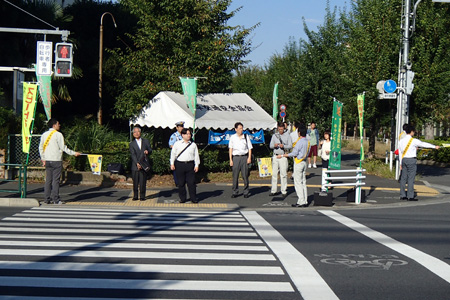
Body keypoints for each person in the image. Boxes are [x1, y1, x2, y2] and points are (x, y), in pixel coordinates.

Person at [39, 118, 81, 204]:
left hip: (47, 160)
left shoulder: (44, 134)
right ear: (54, 125)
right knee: (56, 180)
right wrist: (74, 153)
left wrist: (43, 159)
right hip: (56, 160)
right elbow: (63, 148)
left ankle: (46, 199)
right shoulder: (58, 135)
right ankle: (56, 199)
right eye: (58, 124)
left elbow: (41, 148)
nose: (59, 125)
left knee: (48, 180)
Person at [398, 124, 440, 201]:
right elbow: (424, 144)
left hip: (404, 160)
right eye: (414, 131)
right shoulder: (414, 141)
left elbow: (400, 152)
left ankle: (402, 195)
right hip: (411, 160)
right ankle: (410, 196)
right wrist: (434, 147)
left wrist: (401, 162)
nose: (414, 133)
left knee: (403, 178)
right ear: (411, 132)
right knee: (411, 178)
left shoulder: (401, 141)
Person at [277, 125, 310, 207]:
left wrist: (283, 155)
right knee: (303, 182)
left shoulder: (300, 142)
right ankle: (305, 200)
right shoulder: (307, 142)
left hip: (298, 162)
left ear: (299, 133)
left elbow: (294, 153)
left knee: (298, 182)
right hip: (304, 162)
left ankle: (301, 201)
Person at [170, 128, 200, 203]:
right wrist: (172, 163)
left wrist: (197, 165)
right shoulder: (177, 144)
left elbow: (196, 155)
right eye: (187, 134)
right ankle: (182, 198)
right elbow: (173, 154)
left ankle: (193, 198)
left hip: (190, 164)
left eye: (189, 134)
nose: (189, 135)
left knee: (191, 183)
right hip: (180, 164)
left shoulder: (193, 145)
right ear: (182, 135)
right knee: (181, 183)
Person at [229, 122, 253, 198]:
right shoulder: (232, 137)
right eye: (239, 128)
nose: (241, 130)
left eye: (242, 128)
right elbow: (230, 149)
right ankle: (235, 191)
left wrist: (249, 158)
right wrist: (230, 160)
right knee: (235, 175)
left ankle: (246, 191)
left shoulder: (246, 136)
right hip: (236, 157)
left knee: (245, 175)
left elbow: (250, 148)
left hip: (244, 157)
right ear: (235, 129)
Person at [269, 122, 292, 197]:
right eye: (279, 129)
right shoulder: (274, 135)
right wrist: (274, 145)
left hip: (283, 156)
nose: (280, 131)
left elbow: (290, 145)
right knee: (274, 174)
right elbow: (270, 145)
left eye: (282, 129)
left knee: (283, 174)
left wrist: (283, 146)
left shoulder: (287, 136)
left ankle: (284, 190)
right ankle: (274, 190)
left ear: (284, 129)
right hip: (275, 156)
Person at [130, 126, 152, 201]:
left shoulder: (145, 141)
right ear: (133, 134)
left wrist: (147, 151)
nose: (136, 133)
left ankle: (142, 196)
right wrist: (137, 163)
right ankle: (135, 195)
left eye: (137, 131)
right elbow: (132, 154)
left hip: (144, 164)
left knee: (143, 181)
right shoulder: (132, 144)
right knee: (135, 181)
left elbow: (150, 149)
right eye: (134, 132)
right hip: (135, 165)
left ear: (140, 132)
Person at [169, 121, 185, 185]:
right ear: (177, 128)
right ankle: (177, 182)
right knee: (177, 170)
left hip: (184, 156)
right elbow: (171, 145)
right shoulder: (174, 136)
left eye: (182, 126)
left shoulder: (185, 135)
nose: (181, 128)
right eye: (180, 127)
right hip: (177, 155)